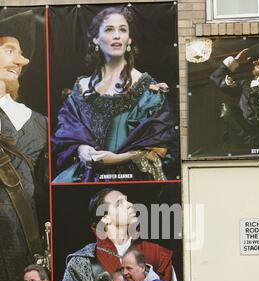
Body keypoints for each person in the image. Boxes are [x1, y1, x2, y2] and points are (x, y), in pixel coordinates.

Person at [51, 6, 177, 183]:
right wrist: (81, 149)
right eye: (109, 29)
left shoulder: (149, 89)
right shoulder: (80, 88)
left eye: (122, 30)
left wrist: (117, 158)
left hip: (132, 178)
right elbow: (67, 132)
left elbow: (161, 143)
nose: (117, 35)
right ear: (96, 39)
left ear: (129, 40)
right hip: (85, 176)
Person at [60, 188, 180, 281]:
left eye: (127, 199)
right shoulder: (80, 263)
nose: (130, 204)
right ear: (105, 219)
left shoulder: (157, 254)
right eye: (119, 203)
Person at [0, 10, 48, 281]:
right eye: (9, 51)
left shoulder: (40, 123)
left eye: (21, 54)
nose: (22, 61)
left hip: (22, 240)